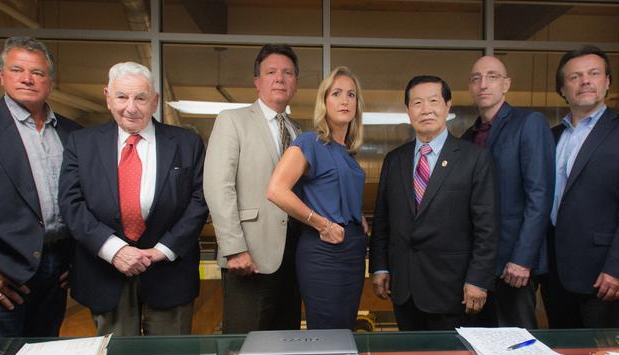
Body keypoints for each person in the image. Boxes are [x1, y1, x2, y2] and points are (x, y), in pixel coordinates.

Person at [59, 61, 209, 336]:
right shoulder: (81, 143)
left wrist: (164, 249)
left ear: (155, 101)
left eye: (141, 97)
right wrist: (114, 250)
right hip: (105, 270)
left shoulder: (187, 143)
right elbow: (71, 204)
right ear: (107, 97)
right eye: (122, 97)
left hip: (169, 270)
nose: (131, 107)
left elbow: (200, 200)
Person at [369, 75, 498, 330]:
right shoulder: (394, 160)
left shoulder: (474, 158)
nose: (425, 109)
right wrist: (380, 266)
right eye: (417, 103)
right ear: (408, 110)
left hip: (454, 290)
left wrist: (478, 279)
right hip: (404, 289)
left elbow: (487, 227)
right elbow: (383, 221)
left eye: (433, 101)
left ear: (447, 106)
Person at [0, 36, 81, 337]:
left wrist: (78, 261)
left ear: (50, 81)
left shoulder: (71, 133)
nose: (27, 79)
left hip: (57, 268)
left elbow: (84, 200)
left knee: (45, 351)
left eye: (37, 72)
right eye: (16, 69)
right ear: (1, 75)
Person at [204, 44, 302, 333]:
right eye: (271, 72)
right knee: (245, 346)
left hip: (293, 258)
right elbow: (218, 186)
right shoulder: (232, 121)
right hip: (250, 256)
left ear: (295, 82)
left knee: (285, 345)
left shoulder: (299, 131)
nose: (280, 78)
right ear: (257, 81)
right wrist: (234, 248)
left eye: (287, 73)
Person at [267, 66, 368, 330]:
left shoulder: (348, 152)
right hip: (324, 251)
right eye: (336, 94)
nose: (345, 100)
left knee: (346, 330)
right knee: (327, 333)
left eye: (351, 95)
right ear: (324, 102)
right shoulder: (310, 142)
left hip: (353, 250)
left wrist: (360, 219)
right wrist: (322, 224)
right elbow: (276, 190)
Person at [540, 46, 619, 328]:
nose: (585, 81)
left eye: (594, 74)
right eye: (575, 77)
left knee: (602, 353)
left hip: (603, 273)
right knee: (564, 351)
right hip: (554, 272)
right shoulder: (550, 136)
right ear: (563, 89)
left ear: (607, 82)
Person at [461, 56, 555, 328]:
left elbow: (540, 195)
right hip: (479, 266)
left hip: (514, 263)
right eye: (476, 78)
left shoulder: (529, 123)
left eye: (492, 76)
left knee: (517, 345)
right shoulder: (469, 136)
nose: (483, 84)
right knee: (481, 343)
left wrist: (523, 258)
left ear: (506, 84)